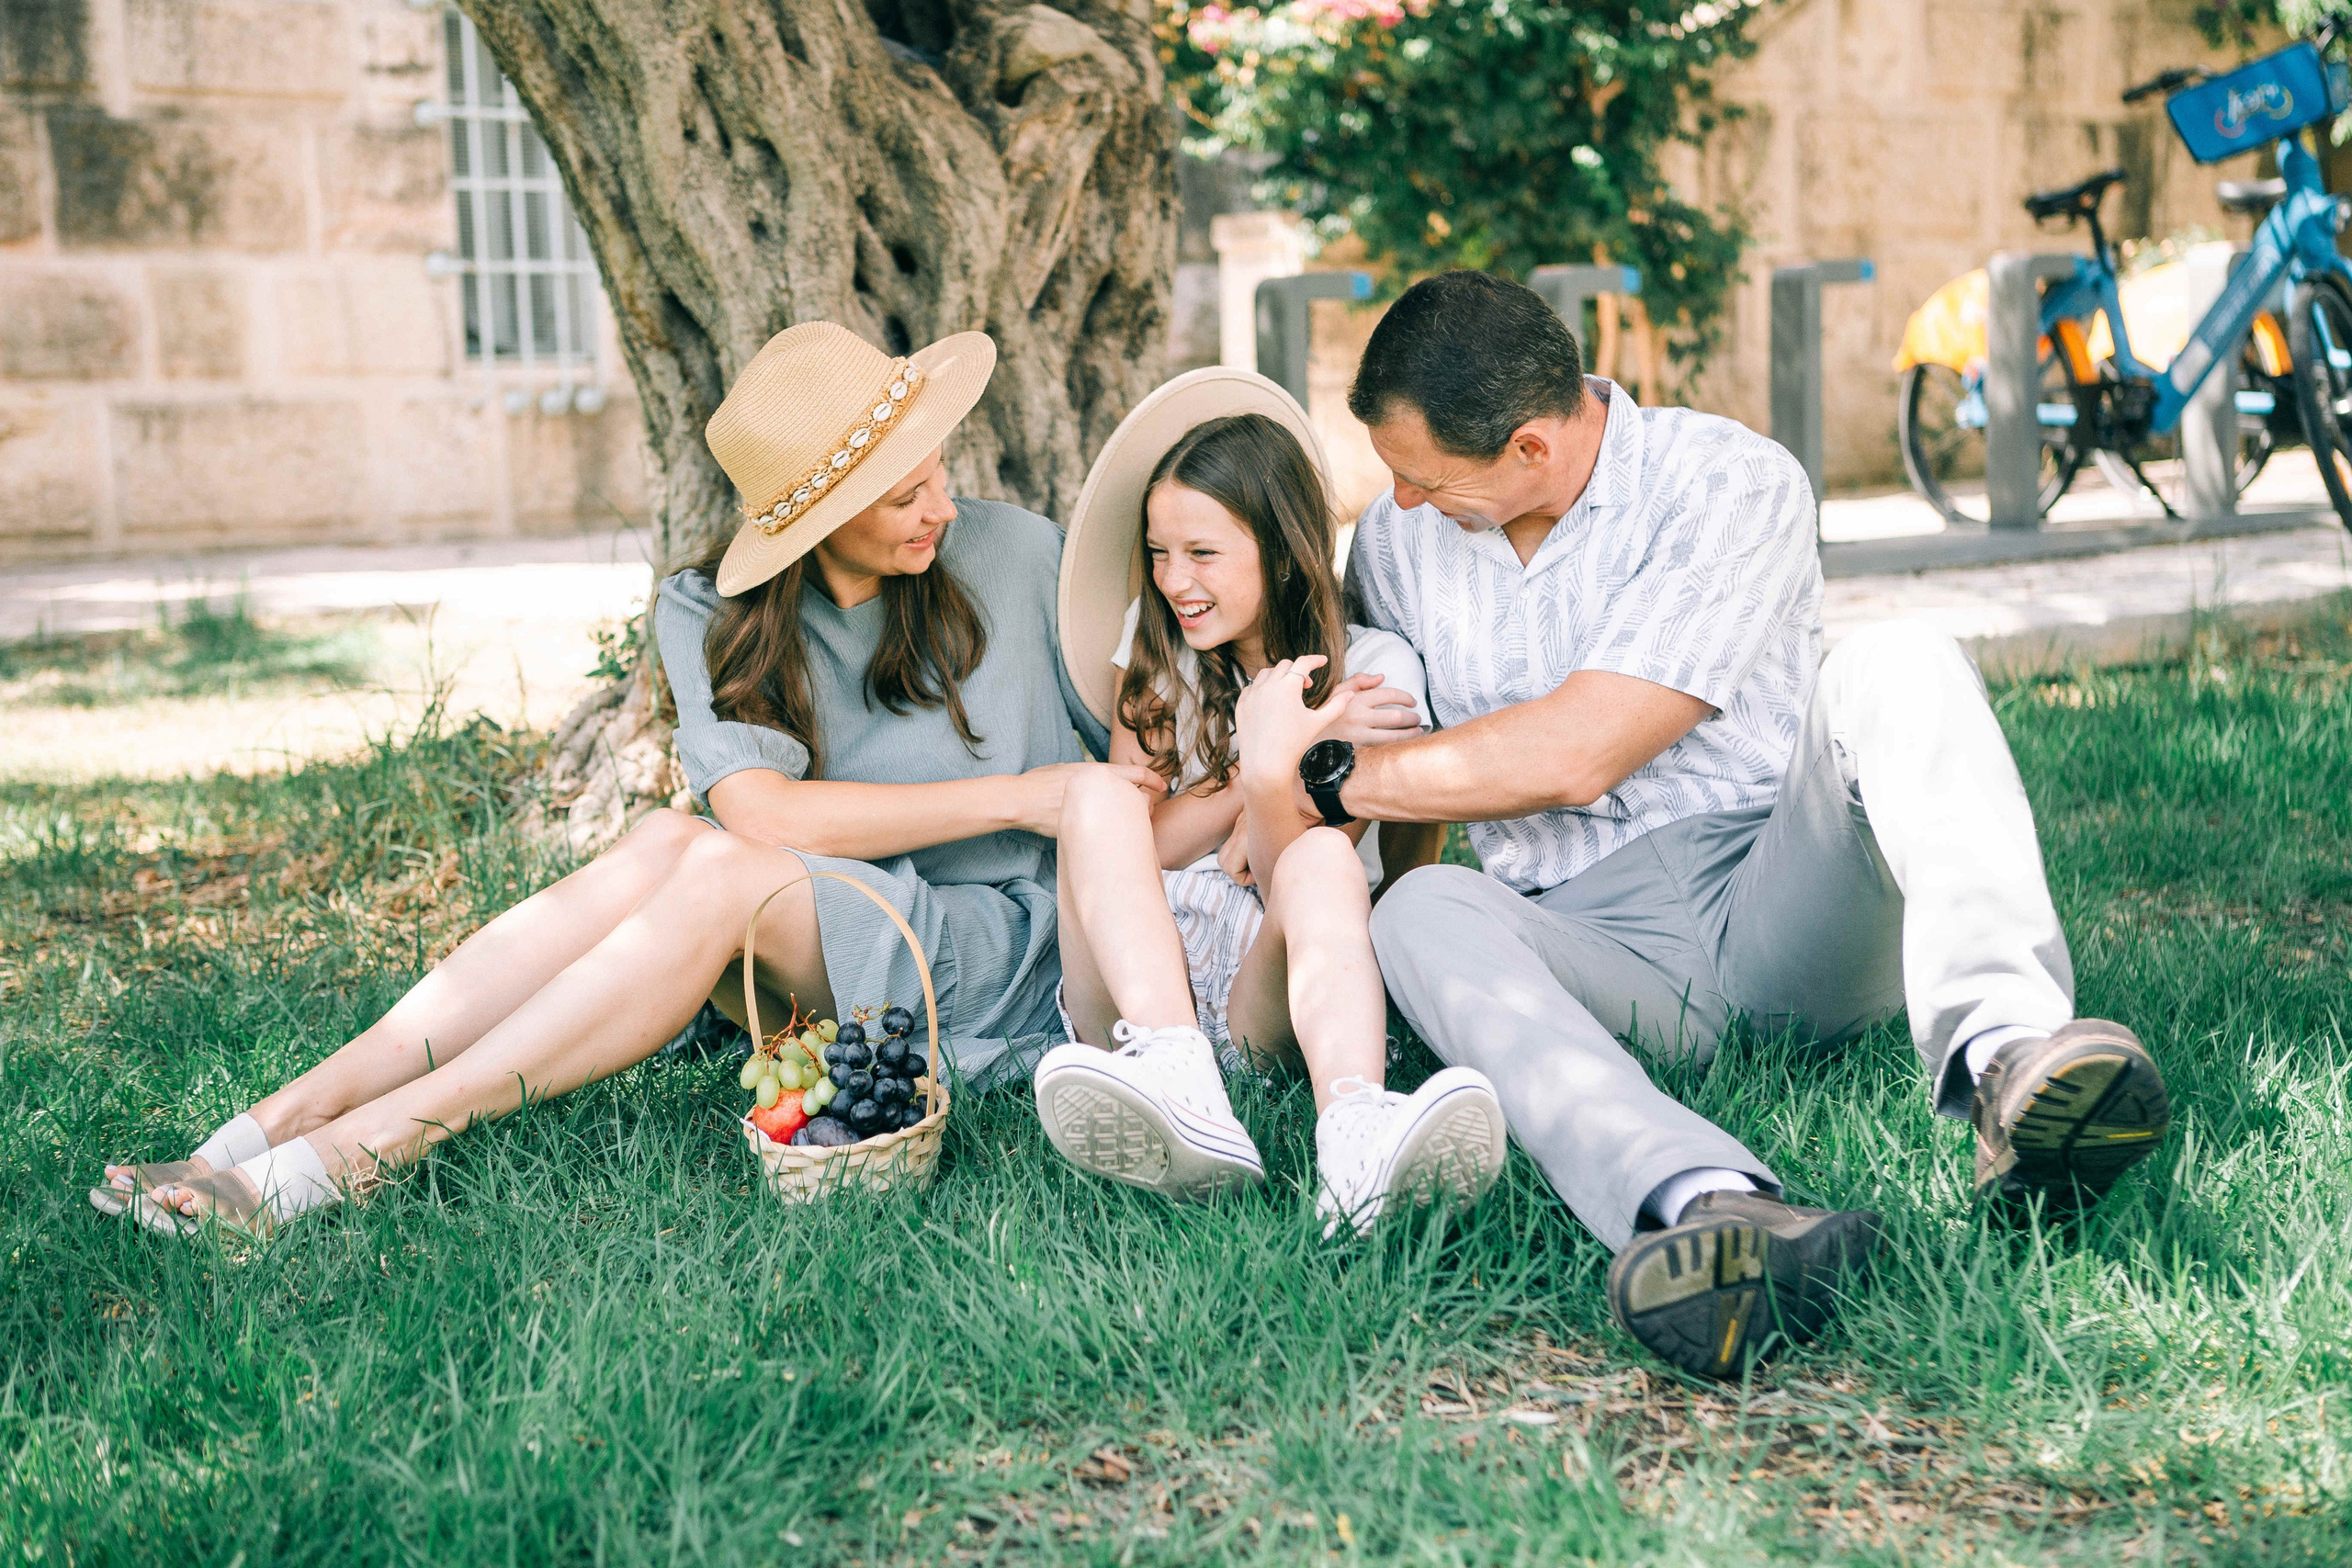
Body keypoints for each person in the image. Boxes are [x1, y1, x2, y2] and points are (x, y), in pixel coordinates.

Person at [92, 321, 1163, 1237]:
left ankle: (365, 1147)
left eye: (938, 470)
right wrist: (1024, 793)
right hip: (841, 921)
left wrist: (1070, 804)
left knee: (704, 870)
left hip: (998, 945)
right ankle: (276, 1123)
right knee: (669, 843)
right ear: (815, 515)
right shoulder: (714, 610)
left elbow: (1147, 762)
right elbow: (757, 810)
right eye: (900, 495)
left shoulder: (1019, 556)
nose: (939, 506)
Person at [1292, 271, 2172, 1377]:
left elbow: (1582, 752)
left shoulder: (1726, 480)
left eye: (1424, 478)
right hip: (1590, 950)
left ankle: (2009, 1063)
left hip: (1778, 893)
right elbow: (1402, 757)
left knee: (1900, 658)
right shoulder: (1393, 547)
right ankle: (1709, 1208)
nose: (1403, 503)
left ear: (1530, 449)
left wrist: (1336, 779)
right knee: (1416, 910)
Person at [1028, 370, 1509, 1232]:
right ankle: (1178, 1082)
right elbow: (1148, 844)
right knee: (1098, 796)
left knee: (1327, 854)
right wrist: (1266, 753)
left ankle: (1356, 1132)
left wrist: (1264, 785)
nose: (1175, 580)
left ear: (1283, 549)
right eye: (1159, 551)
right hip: (1136, 993)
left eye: (1203, 553)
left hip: (1271, 993)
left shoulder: (1376, 675)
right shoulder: (1159, 641)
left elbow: (1268, 865)